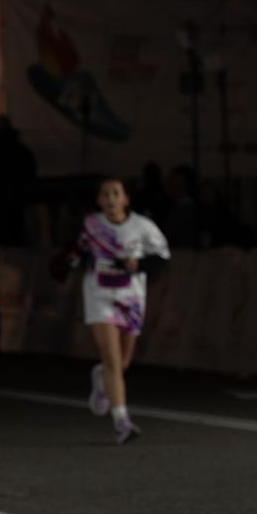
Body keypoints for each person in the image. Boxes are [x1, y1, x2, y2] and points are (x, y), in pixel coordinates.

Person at [75, 178, 169, 444]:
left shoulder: (142, 227)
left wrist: (138, 264)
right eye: (105, 194)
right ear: (99, 201)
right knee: (112, 359)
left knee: (122, 362)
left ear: (126, 199)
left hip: (131, 299)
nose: (111, 198)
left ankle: (100, 377)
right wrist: (71, 260)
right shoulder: (91, 225)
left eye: (116, 193)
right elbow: (79, 251)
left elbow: (161, 259)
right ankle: (121, 422)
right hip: (100, 296)